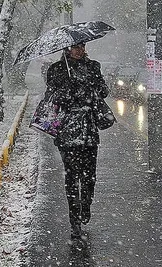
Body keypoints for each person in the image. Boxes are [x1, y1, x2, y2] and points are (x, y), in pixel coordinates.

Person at [45, 43, 109, 239]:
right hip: (67, 131)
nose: (79, 50)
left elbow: (104, 91)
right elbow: (51, 97)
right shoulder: (57, 69)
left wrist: (93, 87)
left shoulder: (93, 66)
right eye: (75, 47)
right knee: (72, 178)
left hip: (89, 131)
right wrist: (69, 91)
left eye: (82, 47)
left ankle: (86, 205)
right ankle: (74, 220)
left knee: (89, 176)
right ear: (67, 49)